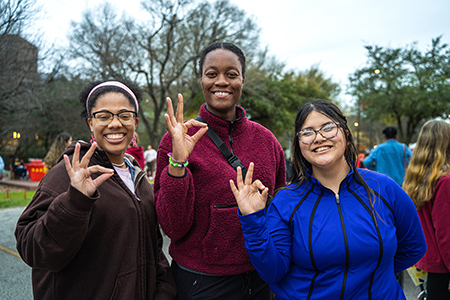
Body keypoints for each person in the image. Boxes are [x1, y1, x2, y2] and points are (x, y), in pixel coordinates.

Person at [229, 99, 426, 299]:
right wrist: (252, 220)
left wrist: (374, 273)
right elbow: (272, 272)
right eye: (307, 132)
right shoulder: (285, 201)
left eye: (328, 128)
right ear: (299, 144)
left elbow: (414, 247)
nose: (319, 138)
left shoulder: (384, 188)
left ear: (346, 134)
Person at [15, 80, 176, 300]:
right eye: (104, 116)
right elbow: (32, 249)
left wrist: (164, 291)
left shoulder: (137, 177)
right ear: (91, 123)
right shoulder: (68, 172)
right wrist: (75, 202)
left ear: (135, 122)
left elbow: (154, 249)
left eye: (124, 115)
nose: (115, 123)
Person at [154, 42, 286, 300]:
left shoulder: (267, 140)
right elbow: (173, 227)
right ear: (201, 80)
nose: (221, 81)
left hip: (260, 279)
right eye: (212, 74)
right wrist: (178, 163)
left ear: (243, 80)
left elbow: (280, 211)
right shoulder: (177, 139)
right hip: (201, 282)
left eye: (231, 74)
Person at [403, 120, 450, 300]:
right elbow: (446, 232)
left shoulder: (419, 179)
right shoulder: (444, 181)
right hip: (445, 266)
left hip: (431, 263)